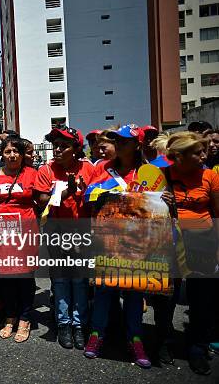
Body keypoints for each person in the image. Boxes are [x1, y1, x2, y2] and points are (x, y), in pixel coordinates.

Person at [83, 124, 151, 369]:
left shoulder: (148, 172)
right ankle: (96, 335)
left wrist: (165, 200)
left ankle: (135, 340)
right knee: (104, 291)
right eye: (117, 139)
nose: (119, 143)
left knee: (134, 293)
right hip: (107, 240)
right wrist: (107, 191)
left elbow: (159, 206)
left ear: (137, 145)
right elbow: (88, 196)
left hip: (137, 243)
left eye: (124, 140)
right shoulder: (103, 168)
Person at [161, 131, 219, 375]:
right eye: (198, 152)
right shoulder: (162, 176)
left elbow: (216, 213)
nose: (204, 156)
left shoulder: (210, 176)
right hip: (169, 241)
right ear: (179, 157)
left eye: (204, 150)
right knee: (166, 296)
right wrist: (162, 202)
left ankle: (197, 346)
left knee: (201, 298)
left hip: (202, 240)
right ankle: (164, 342)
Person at [34, 125, 94, 350]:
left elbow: (98, 201)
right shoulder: (46, 170)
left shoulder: (89, 169)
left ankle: (80, 325)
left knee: (79, 280)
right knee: (59, 279)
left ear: (76, 149)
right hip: (55, 232)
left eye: (63, 146)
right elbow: (41, 201)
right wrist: (68, 190)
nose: (57, 150)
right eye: (55, 145)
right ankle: (63, 324)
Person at [0, 136, 38, 343]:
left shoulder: (32, 174)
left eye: (16, 151)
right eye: (7, 152)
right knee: (5, 278)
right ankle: (10, 316)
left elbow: (42, 199)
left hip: (26, 231)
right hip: (2, 232)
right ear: (2, 155)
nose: (12, 155)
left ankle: (25, 318)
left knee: (25, 278)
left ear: (23, 155)